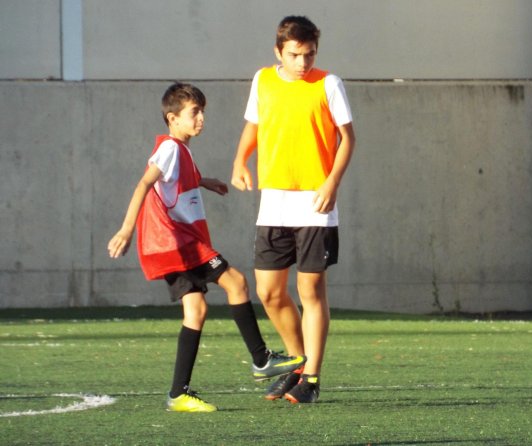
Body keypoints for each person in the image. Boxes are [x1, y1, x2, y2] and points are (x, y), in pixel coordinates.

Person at [107, 83, 305, 413]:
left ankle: (178, 394)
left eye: (202, 111)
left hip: (176, 247)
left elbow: (177, 180)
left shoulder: (179, 151)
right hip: (179, 244)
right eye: (194, 113)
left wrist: (205, 182)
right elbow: (146, 182)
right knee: (237, 282)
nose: (201, 118)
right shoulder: (170, 149)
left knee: (196, 312)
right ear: (173, 118)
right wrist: (126, 229)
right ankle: (260, 359)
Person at [231, 16, 355, 404]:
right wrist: (240, 160)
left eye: (309, 55)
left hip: (315, 203)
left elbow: (348, 138)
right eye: (295, 55)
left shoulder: (328, 83)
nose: (303, 63)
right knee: (268, 292)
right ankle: (298, 364)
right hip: (274, 202)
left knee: (310, 291)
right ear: (279, 52)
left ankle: (312, 380)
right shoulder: (262, 80)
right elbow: (254, 124)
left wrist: (332, 182)